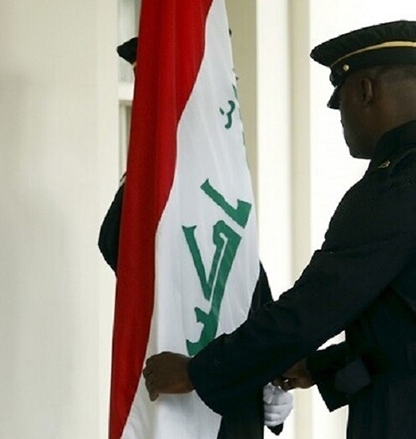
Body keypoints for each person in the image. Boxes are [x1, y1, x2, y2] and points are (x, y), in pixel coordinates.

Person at [141, 20, 416, 439]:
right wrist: (317, 367)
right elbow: (407, 332)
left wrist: (198, 371)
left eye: (341, 103)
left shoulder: (397, 184)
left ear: (365, 90)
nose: (341, 121)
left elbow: (314, 307)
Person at [99, 37, 292, 438]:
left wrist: (272, 380)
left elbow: (249, 286)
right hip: (171, 400)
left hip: (233, 405)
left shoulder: (225, 183)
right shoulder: (147, 195)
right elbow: (119, 247)